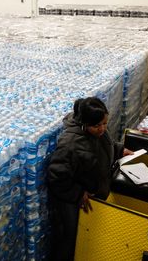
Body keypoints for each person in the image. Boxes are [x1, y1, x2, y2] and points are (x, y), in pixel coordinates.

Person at [47, 97, 133, 261]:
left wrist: (120, 150)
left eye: (105, 123)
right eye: (97, 125)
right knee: (71, 236)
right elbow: (56, 176)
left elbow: (107, 145)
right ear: (84, 123)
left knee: (85, 232)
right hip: (72, 201)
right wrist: (77, 194)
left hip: (92, 195)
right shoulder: (70, 144)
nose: (102, 128)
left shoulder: (98, 131)